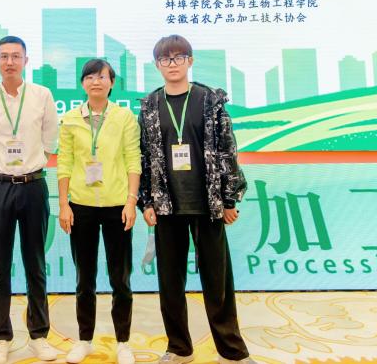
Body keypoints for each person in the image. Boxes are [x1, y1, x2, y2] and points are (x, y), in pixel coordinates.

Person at [137, 35, 252, 364]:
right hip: (166, 206)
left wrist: (229, 199)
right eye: (165, 59)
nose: (172, 64)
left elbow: (227, 149)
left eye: (178, 57)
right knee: (170, 283)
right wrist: (146, 201)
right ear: (157, 65)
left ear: (190, 60)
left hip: (208, 204)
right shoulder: (150, 106)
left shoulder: (209, 100)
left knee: (218, 283)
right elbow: (143, 157)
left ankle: (232, 352)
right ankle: (179, 348)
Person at [0, 35, 61, 364]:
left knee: (35, 263)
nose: (10, 62)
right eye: (4, 56)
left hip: (34, 186)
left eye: (16, 56)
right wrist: (1, 170)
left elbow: (50, 142)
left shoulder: (42, 96)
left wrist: (27, 167)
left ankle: (39, 335)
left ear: (26, 61)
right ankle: (2, 336)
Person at [57, 58, 141, 364]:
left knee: (121, 279)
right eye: (90, 77)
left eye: (102, 77)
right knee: (85, 279)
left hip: (117, 205)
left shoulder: (124, 117)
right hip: (81, 207)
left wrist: (131, 201)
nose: (96, 81)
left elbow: (133, 159)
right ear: (82, 83)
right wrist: (64, 204)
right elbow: (64, 162)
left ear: (111, 82)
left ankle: (123, 343)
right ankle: (85, 340)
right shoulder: (70, 119)